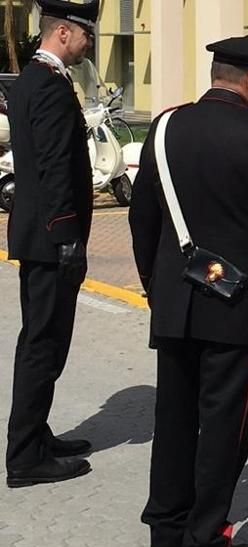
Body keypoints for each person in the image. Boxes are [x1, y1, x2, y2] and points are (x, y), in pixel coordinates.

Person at [129, 28, 248, 547]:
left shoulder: (166, 125)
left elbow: (142, 217)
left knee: (173, 421)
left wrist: (154, 285)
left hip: (174, 302)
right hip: (237, 304)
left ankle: (165, 535)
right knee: (223, 429)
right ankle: (206, 543)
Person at [4, 0, 98, 489]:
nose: (89, 44)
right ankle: (24, 457)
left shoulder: (33, 80)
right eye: (85, 35)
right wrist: (67, 236)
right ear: (63, 32)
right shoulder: (49, 85)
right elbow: (54, 165)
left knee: (41, 340)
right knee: (44, 344)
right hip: (49, 238)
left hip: (38, 234)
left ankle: (35, 435)